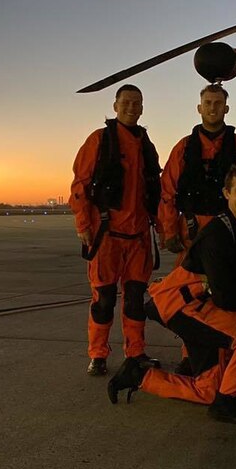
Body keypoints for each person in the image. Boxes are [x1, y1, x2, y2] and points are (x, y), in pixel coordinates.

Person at [106, 163, 236, 426]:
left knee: (208, 390)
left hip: (200, 308)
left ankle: (138, 376)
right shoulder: (218, 235)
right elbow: (226, 297)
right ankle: (227, 403)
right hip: (183, 308)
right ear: (226, 193)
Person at [158, 84, 236, 375]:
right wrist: (169, 230)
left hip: (228, 231)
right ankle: (191, 356)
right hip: (191, 233)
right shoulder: (184, 148)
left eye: (218, 103)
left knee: (229, 293)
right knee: (191, 299)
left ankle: (231, 354)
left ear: (226, 108)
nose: (213, 108)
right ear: (199, 107)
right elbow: (167, 191)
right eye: (208, 102)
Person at [69, 84, 162, 376]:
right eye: (126, 103)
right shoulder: (99, 140)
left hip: (138, 238)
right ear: (115, 105)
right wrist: (83, 224)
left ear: (143, 108)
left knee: (135, 299)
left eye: (137, 103)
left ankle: (135, 352)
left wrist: (162, 228)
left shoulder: (146, 146)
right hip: (106, 236)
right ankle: (98, 354)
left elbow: (155, 193)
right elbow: (80, 185)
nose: (132, 108)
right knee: (104, 300)